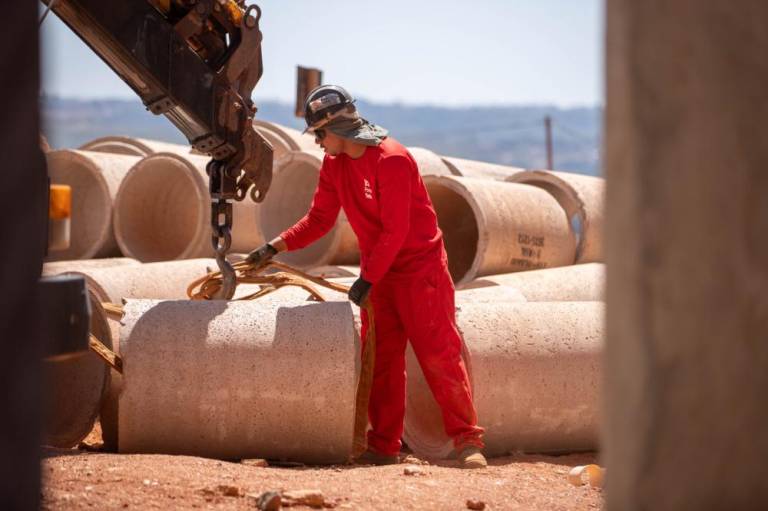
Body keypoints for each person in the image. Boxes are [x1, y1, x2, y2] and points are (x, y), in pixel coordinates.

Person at [247, 85, 486, 469]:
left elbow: (396, 231)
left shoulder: (391, 159)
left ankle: (467, 441)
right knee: (382, 362)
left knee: (438, 353)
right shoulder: (334, 164)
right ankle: (384, 446)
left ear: (336, 127)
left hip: (418, 271)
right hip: (381, 273)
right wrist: (274, 247)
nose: (319, 144)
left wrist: (366, 279)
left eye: (320, 135)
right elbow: (319, 219)